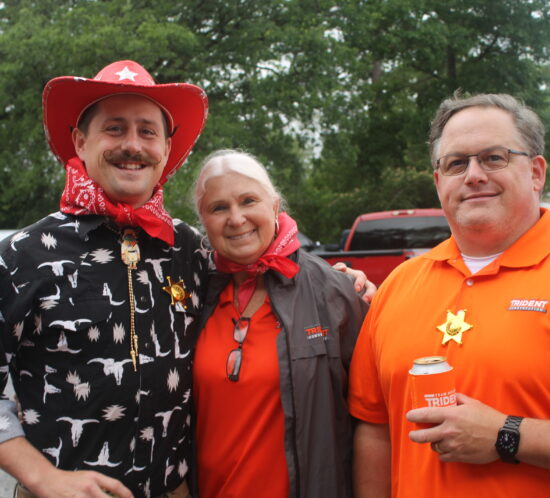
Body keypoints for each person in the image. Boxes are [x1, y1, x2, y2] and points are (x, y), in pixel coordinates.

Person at [0, 60, 209, 498]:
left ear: (166, 149)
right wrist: (42, 477)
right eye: (114, 128)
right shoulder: (23, 254)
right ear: (80, 140)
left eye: (147, 131)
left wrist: (346, 284)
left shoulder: (189, 250)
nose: (132, 145)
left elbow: (262, 285)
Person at [348, 92, 550, 497]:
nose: (474, 175)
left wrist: (506, 435)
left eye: (494, 158)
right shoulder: (399, 285)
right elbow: (375, 431)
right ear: (439, 182)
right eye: (457, 163)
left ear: (536, 172)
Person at [191, 150, 368, 498]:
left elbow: (373, 420)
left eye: (248, 200)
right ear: (204, 221)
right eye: (219, 208)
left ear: (274, 207)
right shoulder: (192, 294)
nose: (237, 218)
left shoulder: (335, 292)